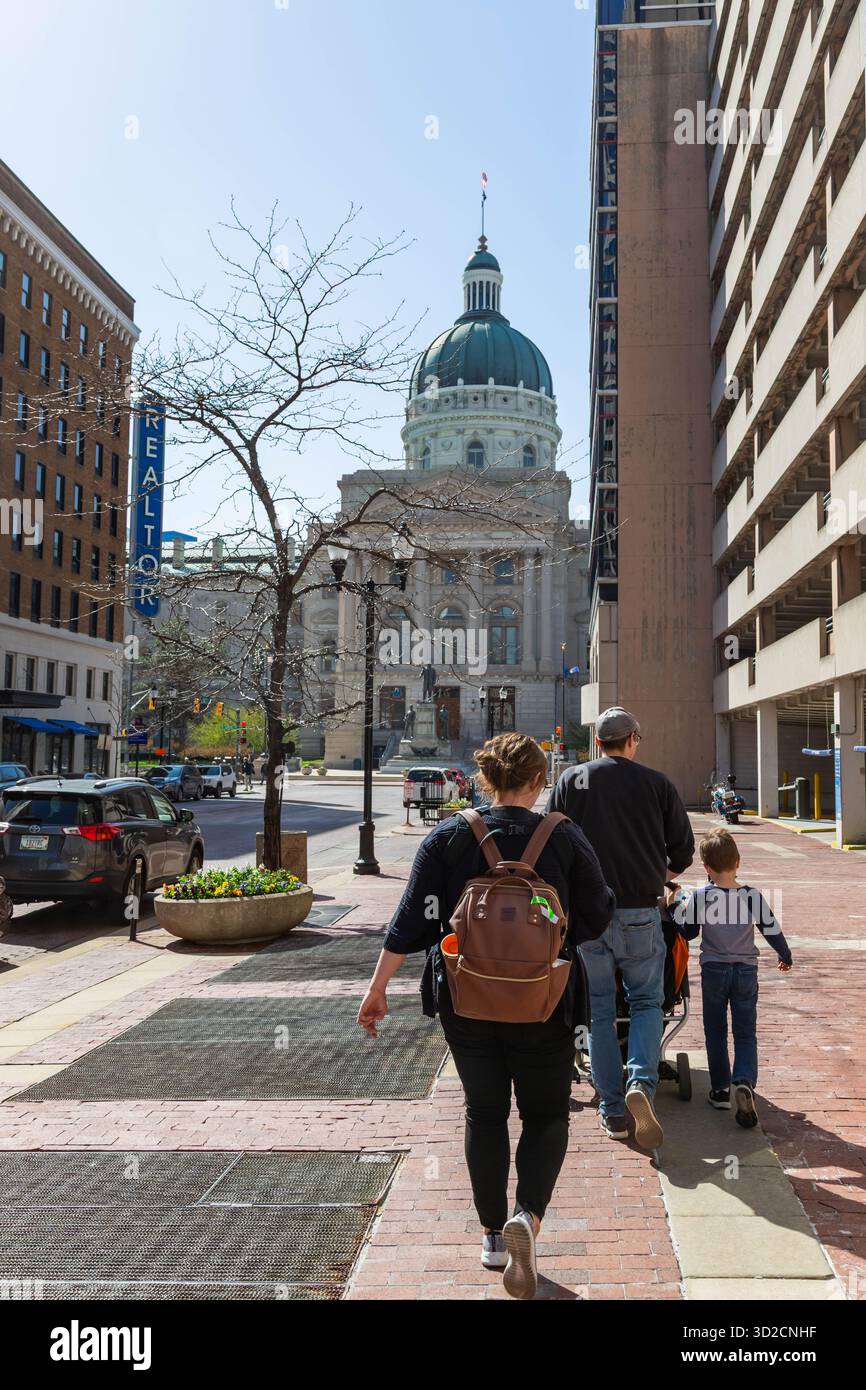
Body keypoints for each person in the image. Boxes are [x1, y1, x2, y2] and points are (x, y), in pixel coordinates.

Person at [357, 732, 614, 1300]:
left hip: (466, 1000)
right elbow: (597, 916)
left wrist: (377, 991)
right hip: (545, 1001)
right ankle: (530, 1216)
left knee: (484, 1111)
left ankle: (495, 1235)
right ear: (539, 782)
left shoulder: (449, 836)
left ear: (483, 779)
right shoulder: (565, 838)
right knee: (547, 1115)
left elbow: (408, 924)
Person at [547, 707, 694, 1150]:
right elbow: (683, 852)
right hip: (640, 910)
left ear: (597, 742)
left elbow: (550, 841)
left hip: (589, 917)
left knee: (600, 1011)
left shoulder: (572, 781)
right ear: (632, 739)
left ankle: (612, 1111)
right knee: (649, 1001)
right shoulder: (657, 784)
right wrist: (657, 875)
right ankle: (641, 1085)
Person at [668, 828, 792, 1127]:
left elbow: (688, 932)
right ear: (738, 861)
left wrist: (673, 906)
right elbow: (770, 927)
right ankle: (744, 1081)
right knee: (746, 1032)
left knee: (716, 1031)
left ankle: (721, 1089)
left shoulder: (702, 896)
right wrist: (784, 954)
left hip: (714, 971)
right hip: (746, 971)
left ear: (707, 868)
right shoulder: (751, 896)